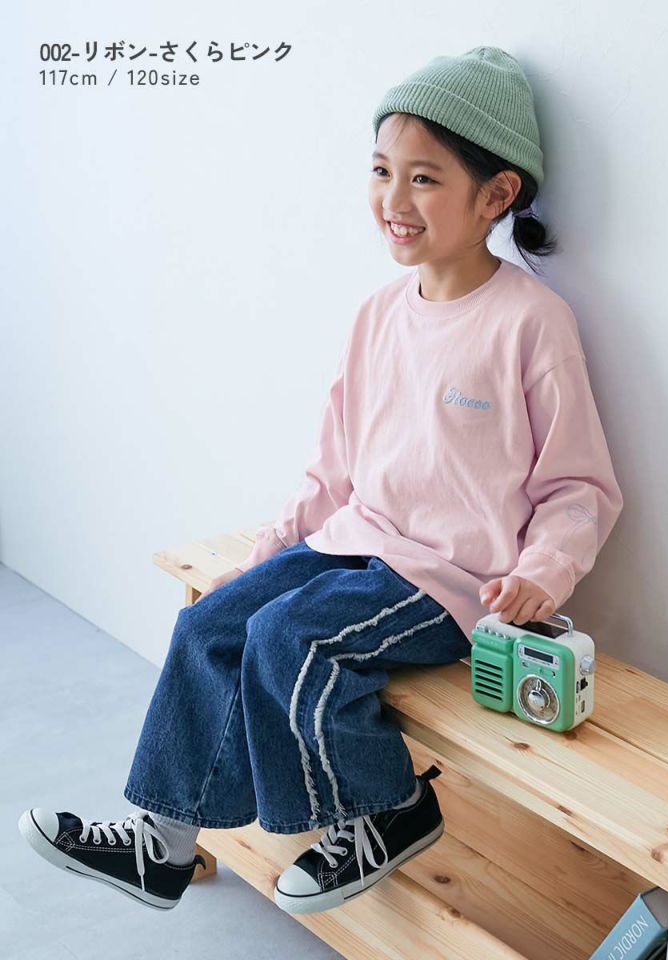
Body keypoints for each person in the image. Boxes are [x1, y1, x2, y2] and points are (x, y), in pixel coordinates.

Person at [18, 46, 623, 916]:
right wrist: (263, 559)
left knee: (287, 638)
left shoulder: (531, 324)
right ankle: (162, 844)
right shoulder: (378, 315)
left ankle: (387, 808)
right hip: (355, 543)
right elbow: (334, 468)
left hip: (448, 580)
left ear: (497, 195)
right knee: (212, 623)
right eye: (381, 172)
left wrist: (543, 573)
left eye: (424, 179)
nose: (393, 200)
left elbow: (580, 486)